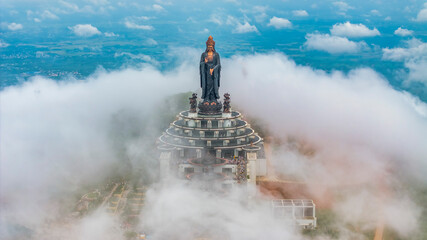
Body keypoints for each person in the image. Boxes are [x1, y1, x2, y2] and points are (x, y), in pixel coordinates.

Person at [200, 36, 221, 103]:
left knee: (213, 84)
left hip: (213, 73)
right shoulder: (203, 55)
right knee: (207, 84)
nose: (210, 48)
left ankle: (213, 98)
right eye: (208, 46)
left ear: (213, 46)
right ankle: (206, 98)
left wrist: (213, 69)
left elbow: (218, 64)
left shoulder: (216, 55)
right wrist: (204, 62)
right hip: (206, 73)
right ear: (207, 46)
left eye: (211, 46)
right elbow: (201, 63)